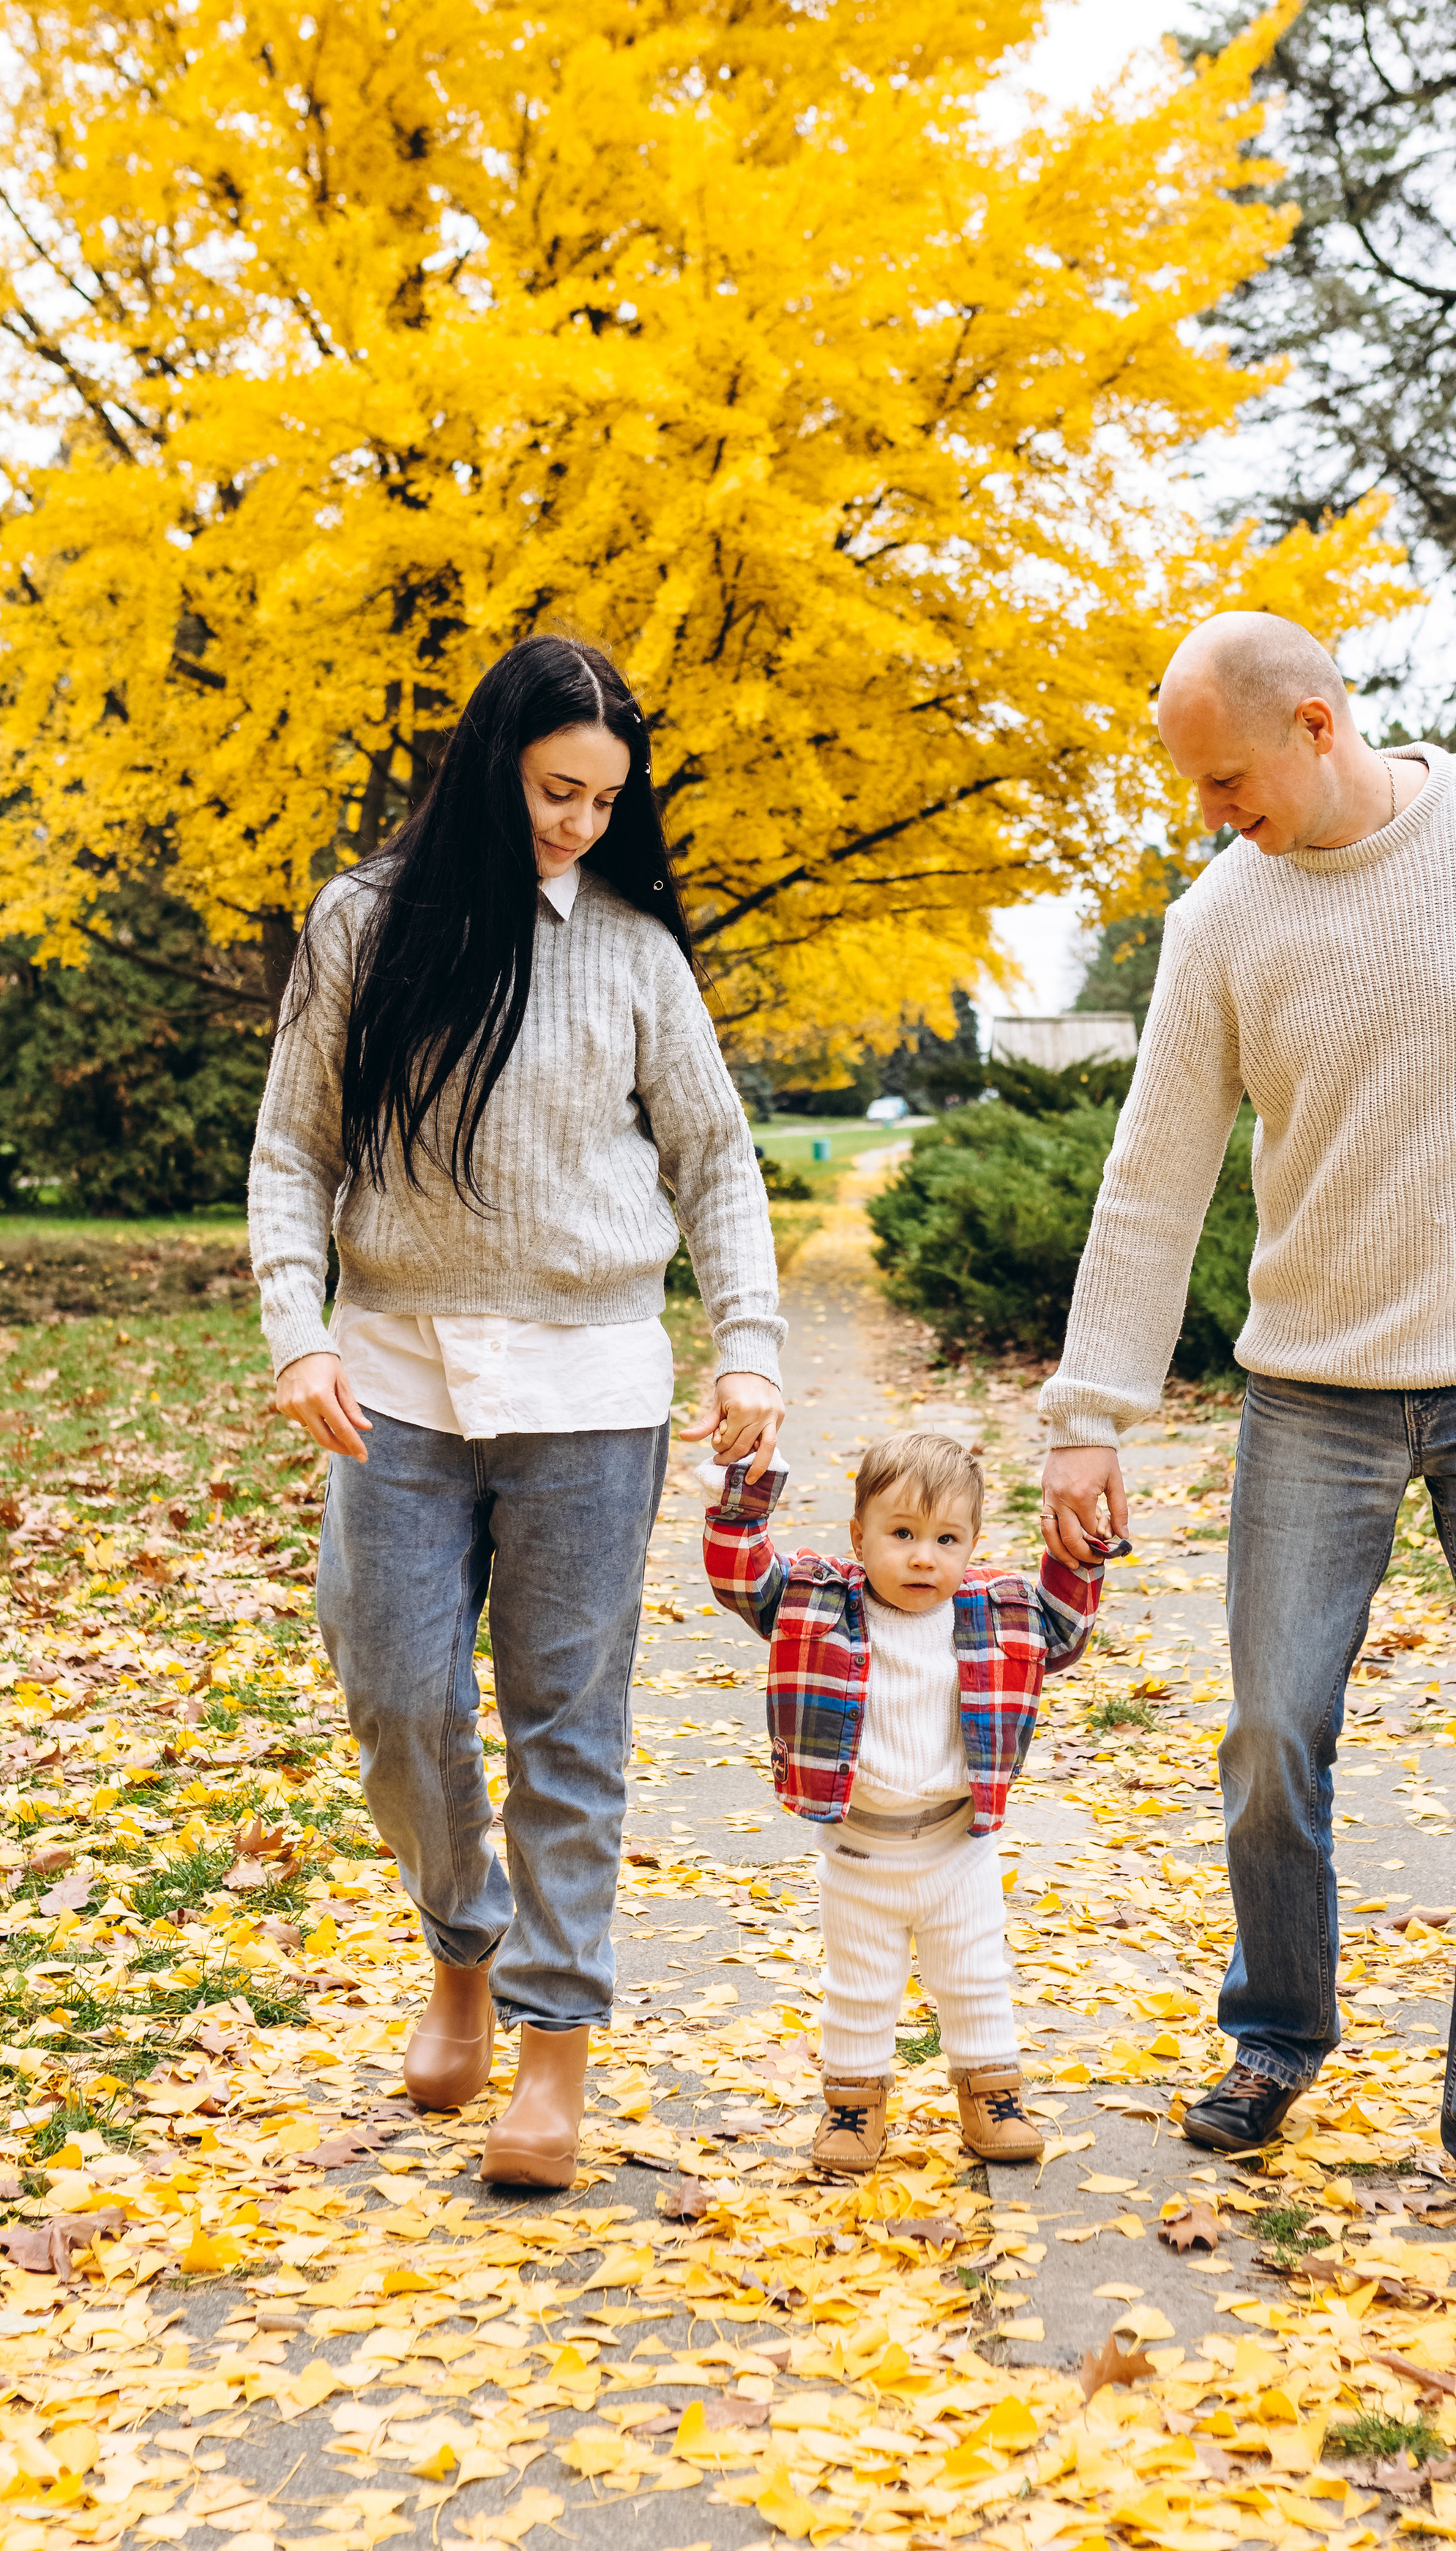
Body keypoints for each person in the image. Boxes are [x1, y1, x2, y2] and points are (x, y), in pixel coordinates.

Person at [1037, 612, 1456, 2248]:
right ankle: (1276, 2029)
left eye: (1225, 780)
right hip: (1313, 1388)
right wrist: (1088, 1413)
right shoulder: (1219, 918)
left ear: (1317, 725)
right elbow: (1151, 1177)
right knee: (1272, 1735)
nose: (1211, 813)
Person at [249, 634, 785, 2190]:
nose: (579, 824)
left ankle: (553, 2053)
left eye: (606, 801)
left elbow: (716, 1159)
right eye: (558, 790)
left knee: (567, 1723)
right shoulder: (360, 923)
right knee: (394, 1691)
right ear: (495, 767)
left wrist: (748, 1346)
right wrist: (297, 1333)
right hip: (394, 1377)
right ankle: (461, 1943)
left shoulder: (632, 949)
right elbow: (294, 1148)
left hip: (589, 1387)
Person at [701, 1431, 1118, 2170]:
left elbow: (1064, 1629)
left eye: (945, 1539)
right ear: (858, 1537)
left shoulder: (995, 1611)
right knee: (858, 1986)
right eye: (901, 1534)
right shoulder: (816, 1600)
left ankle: (992, 2095)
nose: (924, 1557)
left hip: (959, 1847)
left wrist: (1076, 1553)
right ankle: (853, 2104)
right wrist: (743, 1496)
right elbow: (743, 1580)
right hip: (859, 1849)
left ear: (972, 1545)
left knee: (975, 1977)